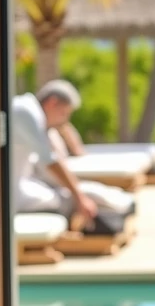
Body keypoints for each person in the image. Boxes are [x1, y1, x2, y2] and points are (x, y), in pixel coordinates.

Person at [12, 80, 98, 223]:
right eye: (64, 113)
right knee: (65, 200)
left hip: (18, 185)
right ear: (52, 103)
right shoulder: (27, 113)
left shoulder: (29, 110)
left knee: (71, 194)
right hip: (9, 194)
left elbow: (75, 150)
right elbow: (50, 161)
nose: (64, 119)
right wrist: (80, 198)